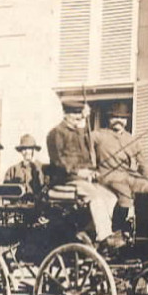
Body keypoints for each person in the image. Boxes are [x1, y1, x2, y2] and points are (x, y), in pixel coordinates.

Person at [46, 99, 119, 245]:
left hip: (81, 180)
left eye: (79, 113)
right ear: (65, 114)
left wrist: (92, 171)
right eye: (74, 114)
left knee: (111, 198)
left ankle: (88, 231)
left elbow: (85, 158)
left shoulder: (78, 134)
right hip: (64, 180)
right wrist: (79, 172)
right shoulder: (56, 133)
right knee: (96, 197)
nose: (78, 117)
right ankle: (104, 236)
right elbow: (58, 161)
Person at [91, 103, 148, 220]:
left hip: (128, 176)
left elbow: (143, 163)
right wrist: (90, 170)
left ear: (126, 121)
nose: (119, 121)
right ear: (109, 119)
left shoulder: (132, 139)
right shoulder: (98, 135)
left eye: (122, 118)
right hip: (108, 176)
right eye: (115, 117)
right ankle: (119, 229)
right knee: (125, 195)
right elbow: (85, 152)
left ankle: (146, 228)